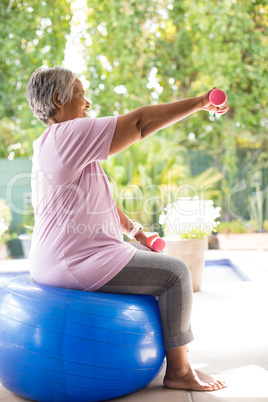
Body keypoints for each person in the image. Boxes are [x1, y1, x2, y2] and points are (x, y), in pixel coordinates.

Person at [26, 65, 228, 392]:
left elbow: (97, 198)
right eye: (80, 95)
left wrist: (136, 232)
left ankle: (176, 358)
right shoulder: (67, 134)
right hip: (74, 262)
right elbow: (139, 123)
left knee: (149, 258)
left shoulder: (50, 144)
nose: (88, 102)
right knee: (175, 274)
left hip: (65, 257)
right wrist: (200, 102)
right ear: (57, 100)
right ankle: (179, 371)